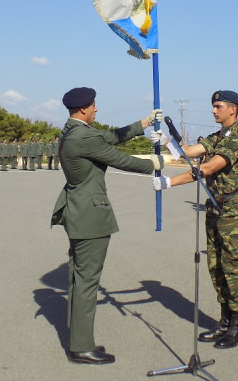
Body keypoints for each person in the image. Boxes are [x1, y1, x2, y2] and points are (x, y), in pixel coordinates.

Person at [51, 87, 163, 365]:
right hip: (90, 215)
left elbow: (111, 136)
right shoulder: (84, 136)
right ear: (83, 109)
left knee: (78, 279)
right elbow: (119, 159)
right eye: (93, 106)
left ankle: (76, 334)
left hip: (77, 210)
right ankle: (81, 347)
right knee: (87, 281)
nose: (97, 109)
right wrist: (155, 163)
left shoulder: (72, 131)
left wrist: (144, 123)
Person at [152, 90, 238, 349]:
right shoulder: (218, 137)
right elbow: (188, 151)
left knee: (233, 266)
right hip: (216, 205)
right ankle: (224, 322)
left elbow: (207, 168)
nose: (213, 110)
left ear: (233, 109)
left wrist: (169, 182)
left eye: (218, 106)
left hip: (232, 209)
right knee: (216, 265)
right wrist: (165, 141)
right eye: (213, 106)